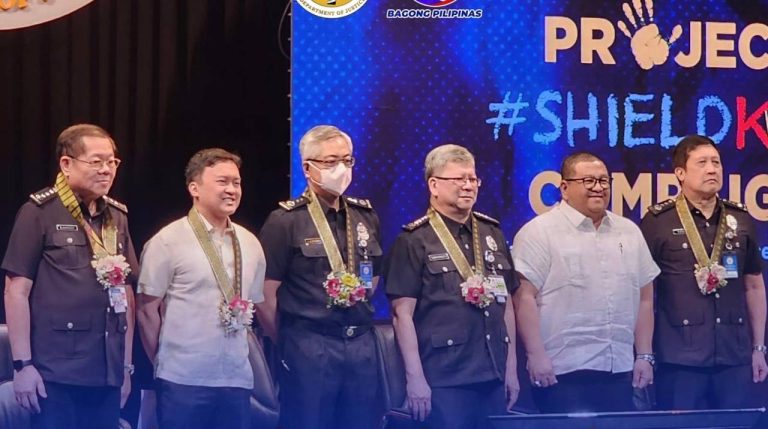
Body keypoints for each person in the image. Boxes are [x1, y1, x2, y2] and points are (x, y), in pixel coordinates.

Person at [2, 124, 138, 429]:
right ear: (66, 164)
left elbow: (127, 295)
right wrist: (22, 366)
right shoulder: (39, 212)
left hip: (107, 371)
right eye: (96, 161)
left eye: (112, 162)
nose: (106, 170)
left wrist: (126, 368)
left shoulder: (117, 217)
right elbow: (15, 291)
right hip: (55, 373)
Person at [511, 152, 660, 413]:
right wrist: (535, 355)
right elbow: (523, 297)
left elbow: (645, 296)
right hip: (561, 371)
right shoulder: (539, 231)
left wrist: (644, 355)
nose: (598, 187)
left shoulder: (629, 231)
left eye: (604, 181)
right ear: (564, 188)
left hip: (620, 369)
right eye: (588, 181)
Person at [384, 144, 519, 429]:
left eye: (472, 179)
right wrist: (415, 379)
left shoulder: (492, 233)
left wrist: (511, 369)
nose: (468, 186)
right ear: (434, 185)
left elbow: (506, 303)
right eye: (458, 179)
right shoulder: (414, 240)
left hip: (493, 372)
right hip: (444, 378)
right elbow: (401, 315)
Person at [258, 125, 382, 429]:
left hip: (361, 344)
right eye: (330, 162)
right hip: (310, 345)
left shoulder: (365, 216)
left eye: (347, 160)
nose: (341, 169)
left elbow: (373, 274)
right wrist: (288, 340)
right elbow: (264, 293)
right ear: (307, 168)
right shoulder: (285, 221)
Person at [136, 148, 266, 429]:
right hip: (183, 381)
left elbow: (253, 306)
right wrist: (164, 360)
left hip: (237, 380)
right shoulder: (167, 241)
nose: (232, 189)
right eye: (222, 182)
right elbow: (146, 311)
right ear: (194, 188)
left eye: (236, 182)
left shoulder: (250, 243)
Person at [640, 135, 767, 409]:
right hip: (679, 359)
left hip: (734, 356)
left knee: (736, 426)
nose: (712, 169)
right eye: (702, 163)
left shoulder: (741, 218)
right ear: (680, 173)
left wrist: (759, 347)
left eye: (716, 162)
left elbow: (754, 285)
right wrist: (644, 354)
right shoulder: (657, 221)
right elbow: (645, 295)